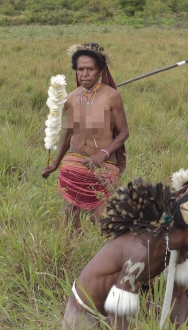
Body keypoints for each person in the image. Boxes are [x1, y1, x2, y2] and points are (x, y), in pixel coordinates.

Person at [62, 179, 188, 330]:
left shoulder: (176, 245)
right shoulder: (142, 251)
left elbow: (177, 295)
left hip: (114, 315)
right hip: (84, 316)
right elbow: (116, 318)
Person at [41, 43, 129, 232]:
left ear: (100, 71)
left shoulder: (111, 96)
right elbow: (67, 132)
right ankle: (71, 250)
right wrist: (55, 163)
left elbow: (123, 132)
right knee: (70, 211)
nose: (85, 73)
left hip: (103, 164)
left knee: (100, 217)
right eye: (81, 69)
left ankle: (105, 255)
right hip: (75, 161)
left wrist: (103, 154)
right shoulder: (71, 98)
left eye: (90, 69)